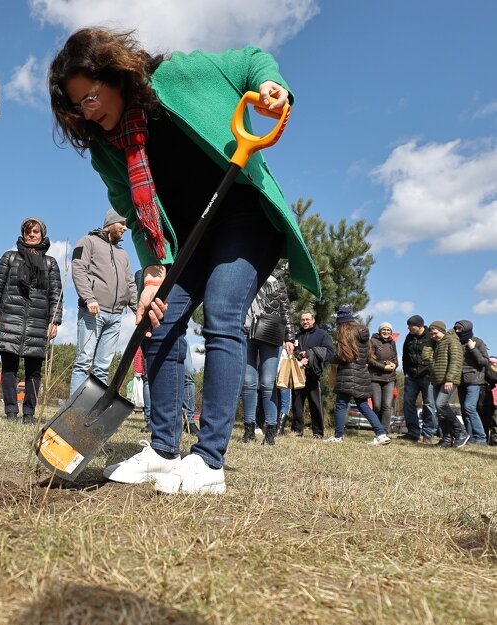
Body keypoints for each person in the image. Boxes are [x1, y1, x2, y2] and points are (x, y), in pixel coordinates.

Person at [48, 28, 319, 495]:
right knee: (159, 317)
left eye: (91, 96)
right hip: (184, 236)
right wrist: (153, 272)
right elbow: (134, 212)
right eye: (78, 106)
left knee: (223, 310)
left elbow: (249, 59)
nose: (89, 111)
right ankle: (162, 449)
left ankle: (210, 460)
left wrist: (272, 87)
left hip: (243, 214)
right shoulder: (106, 149)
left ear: (114, 75)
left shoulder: (179, 75)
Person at [0, 218, 63, 424]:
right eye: (28, 231)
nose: (32, 235)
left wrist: (54, 321)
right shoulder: (9, 258)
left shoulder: (50, 263)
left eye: (36, 231)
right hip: (10, 318)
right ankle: (11, 411)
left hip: (38, 322)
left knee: (34, 371)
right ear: (23, 234)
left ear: (42, 235)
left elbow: (56, 294)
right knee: (9, 368)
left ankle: (29, 413)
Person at [68, 208, 137, 396]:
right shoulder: (87, 242)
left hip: (115, 316)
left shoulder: (123, 254)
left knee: (102, 367)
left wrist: (138, 309)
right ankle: (72, 414)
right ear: (110, 223)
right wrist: (88, 298)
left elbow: (130, 283)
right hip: (93, 312)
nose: (125, 228)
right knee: (83, 362)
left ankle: (92, 411)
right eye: (122, 224)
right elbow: (78, 269)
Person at [239, 265, 294, 446]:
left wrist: (289, 337)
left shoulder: (277, 277)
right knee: (248, 383)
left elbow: (285, 308)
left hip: (270, 331)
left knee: (268, 382)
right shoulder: (243, 272)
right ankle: (249, 430)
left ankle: (270, 430)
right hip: (246, 331)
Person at [324, 306, 390, 445]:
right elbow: (367, 357)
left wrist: (329, 358)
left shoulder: (344, 333)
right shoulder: (364, 333)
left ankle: (338, 436)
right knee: (364, 406)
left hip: (347, 374)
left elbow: (343, 356)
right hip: (361, 373)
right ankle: (381, 434)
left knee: (341, 405)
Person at [423, 320, 468, 448]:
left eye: (435, 333)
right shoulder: (436, 343)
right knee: (440, 410)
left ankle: (461, 432)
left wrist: (450, 379)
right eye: (431, 334)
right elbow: (425, 356)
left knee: (440, 404)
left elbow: (456, 361)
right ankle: (446, 439)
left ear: (442, 330)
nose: (433, 336)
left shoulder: (452, 341)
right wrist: (431, 341)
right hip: (437, 379)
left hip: (449, 380)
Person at [291, 311, 335, 438]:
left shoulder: (322, 335)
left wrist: (310, 354)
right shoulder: (297, 335)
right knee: (296, 403)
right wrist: (299, 356)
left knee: (315, 404)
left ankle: (318, 433)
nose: (305, 322)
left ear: (313, 320)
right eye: (303, 319)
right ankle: (297, 431)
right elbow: (292, 351)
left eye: (307, 319)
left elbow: (330, 353)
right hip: (298, 372)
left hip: (313, 374)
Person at [401, 315, 437, 443]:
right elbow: (405, 356)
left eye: (411, 326)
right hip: (411, 376)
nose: (409, 328)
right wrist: (406, 373)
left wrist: (432, 372)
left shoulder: (430, 336)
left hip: (427, 376)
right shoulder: (409, 337)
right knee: (408, 402)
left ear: (420, 326)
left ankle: (428, 434)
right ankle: (413, 433)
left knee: (429, 404)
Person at [453, 320, 489, 445]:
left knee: (469, 407)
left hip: (474, 380)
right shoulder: (456, 343)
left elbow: (484, 362)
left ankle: (481, 437)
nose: (457, 331)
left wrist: (473, 349)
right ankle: (470, 437)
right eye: (456, 329)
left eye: (460, 329)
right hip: (460, 381)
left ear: (467, 329)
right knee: (464, 410)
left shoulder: (477, 341)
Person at [367, 321, 399, 432]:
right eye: (383, 329)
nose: (386, 332)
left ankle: (384, 430)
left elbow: (395, 358)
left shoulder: (392, 343)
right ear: (379, 331)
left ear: (391, 332)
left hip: (389, 378)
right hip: (375, 378)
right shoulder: (372, 341)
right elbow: (370, 360)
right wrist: (383, 367)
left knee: (387, 405)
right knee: (377, 405)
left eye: (388, 330)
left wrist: (395, 364)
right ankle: (377, 427)